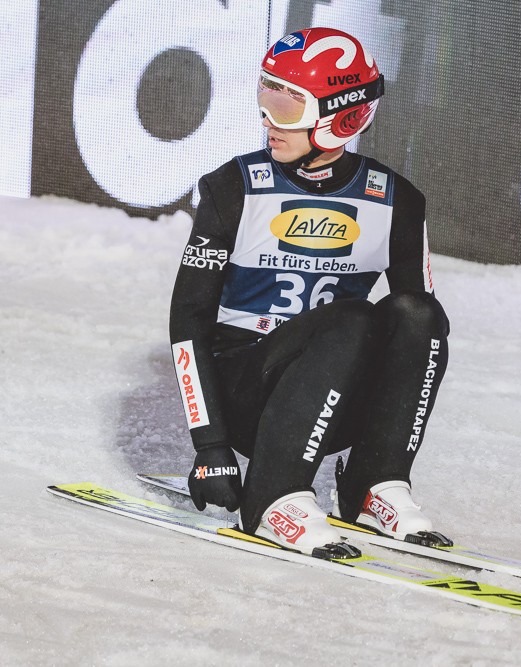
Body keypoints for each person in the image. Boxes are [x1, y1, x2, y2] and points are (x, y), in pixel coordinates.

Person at [169, 27, 449, 558]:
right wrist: (211, 445)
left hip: (330, 400)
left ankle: (375, 483)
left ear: (340, 117)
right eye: (265, 97)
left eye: (286, 106)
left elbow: (417, 343)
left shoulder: (397, 200)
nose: (268, 120)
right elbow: (188, 320)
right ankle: (273, 495)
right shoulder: (233, 187)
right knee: (350, 318)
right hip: (249, 390)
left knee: (420, 315)